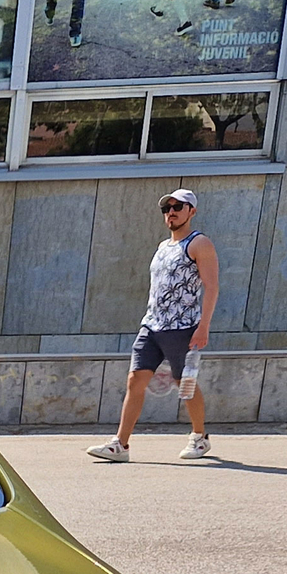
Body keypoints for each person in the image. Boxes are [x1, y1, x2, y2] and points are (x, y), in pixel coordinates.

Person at [88, 188, 220, 462]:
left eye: (178, 207)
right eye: (167, 208)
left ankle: (199, 437)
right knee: (135, 380)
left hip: (182, 326)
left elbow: (212, 286)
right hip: (152, 325)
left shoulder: (199, 243)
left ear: (191, 212)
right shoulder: (163, 247)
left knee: (184, 382)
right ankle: (120, 445)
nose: (171, 212)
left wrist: (203, 326)